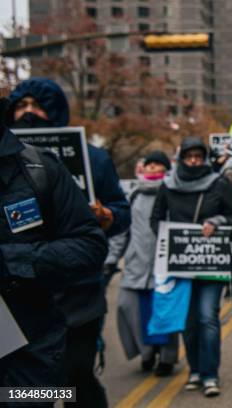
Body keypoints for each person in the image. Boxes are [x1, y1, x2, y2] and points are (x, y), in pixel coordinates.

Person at [7, 77, 131, 408]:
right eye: (21, 105)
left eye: (37, 105)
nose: (29, 112)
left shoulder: (93, 159)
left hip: (77, 296)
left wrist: (106, 215)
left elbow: (120, 213)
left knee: (74, 376)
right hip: (18, 307)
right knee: (26, 388)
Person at [150, 137, 232, 397]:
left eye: (199, 156)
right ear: (182, 159)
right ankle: (194, 371)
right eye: (189, 157)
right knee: (188, 320)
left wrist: (218, 221)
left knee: (208, 317)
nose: (195, 161)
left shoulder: (219, 183)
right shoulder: (167, 185)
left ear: (205, 158)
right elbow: (156, 218)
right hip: (180, 263)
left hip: (210, 263)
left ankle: (210, 375)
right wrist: (171, 240)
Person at [116, 150, 179, 376]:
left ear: (165, 169)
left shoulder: (173, 193)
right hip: (136, 266)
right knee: (131, 310)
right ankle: (146, 353)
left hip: (163, 267)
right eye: (148, 164)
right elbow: (122, 231)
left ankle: (167, 357)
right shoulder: (132, 195)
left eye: (157, 164)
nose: (151, 168)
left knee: (165, 313)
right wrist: (112, 259)